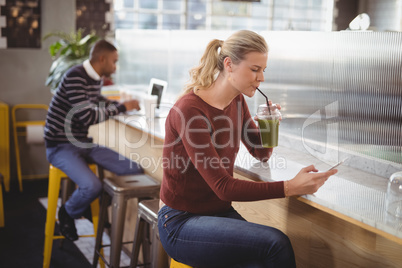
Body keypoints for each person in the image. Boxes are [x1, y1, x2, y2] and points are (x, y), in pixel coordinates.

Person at [158, 30, 338, 267]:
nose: (261, 77)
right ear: (229, 65)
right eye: (255, 69)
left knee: (262, 260)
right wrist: (290, 187)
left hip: (216, 214)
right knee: (276, 243)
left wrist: (270, 123)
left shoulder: (237, 101)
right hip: (181, 222)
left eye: (264, 70)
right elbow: (223, 188)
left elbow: (261, 152)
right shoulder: (190, 111)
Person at [44, 39, 143, 241]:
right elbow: (87, 116)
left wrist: (119, 103)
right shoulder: (75, 77)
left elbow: (96, 101)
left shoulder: (94, 77)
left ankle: (87, 206)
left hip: (83, 142)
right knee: (92, 186)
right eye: (114, 62)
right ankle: (67, 212)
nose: (115, 68)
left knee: (134, 169)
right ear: (102, 59)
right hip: (60, 146)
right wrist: (123, 107)